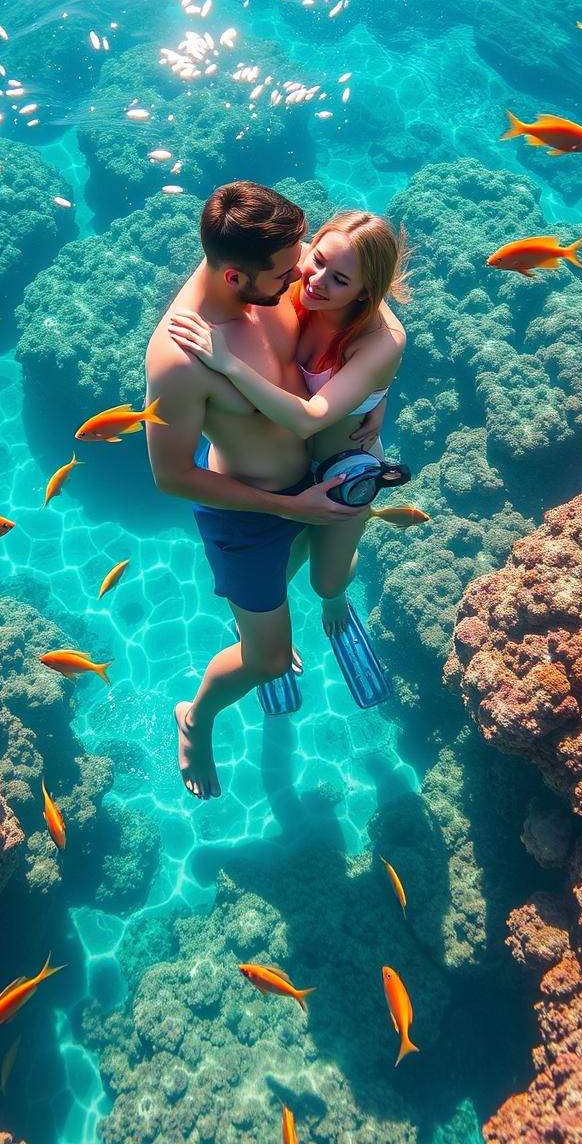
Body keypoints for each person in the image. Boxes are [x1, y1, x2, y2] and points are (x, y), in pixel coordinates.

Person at [145, 184, 384, 801]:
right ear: (235, 275)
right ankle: (196, 717)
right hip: (248, 514)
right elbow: (171, 476)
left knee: (312, 574)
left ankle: (291, 619)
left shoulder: (278, 276)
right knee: (269, 662)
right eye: (290, 268)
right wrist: (288, 507)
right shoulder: (179, 357)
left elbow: (362, 312)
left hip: (312, 476)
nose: (302, 274)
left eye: (302, 256)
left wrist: (377, 401)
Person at [168, 210, 408, 637]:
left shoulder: (381, 338)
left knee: (325, 580)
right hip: (293, 473)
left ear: (366, 290)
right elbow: (230, 251)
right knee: (286, 559)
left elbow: (310, 418)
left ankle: (336, 599)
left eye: (340, 281)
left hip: (343, 469)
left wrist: (228, 363)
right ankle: (267, 619)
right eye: (318, 260)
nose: (316, 282)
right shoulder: (296, 277)